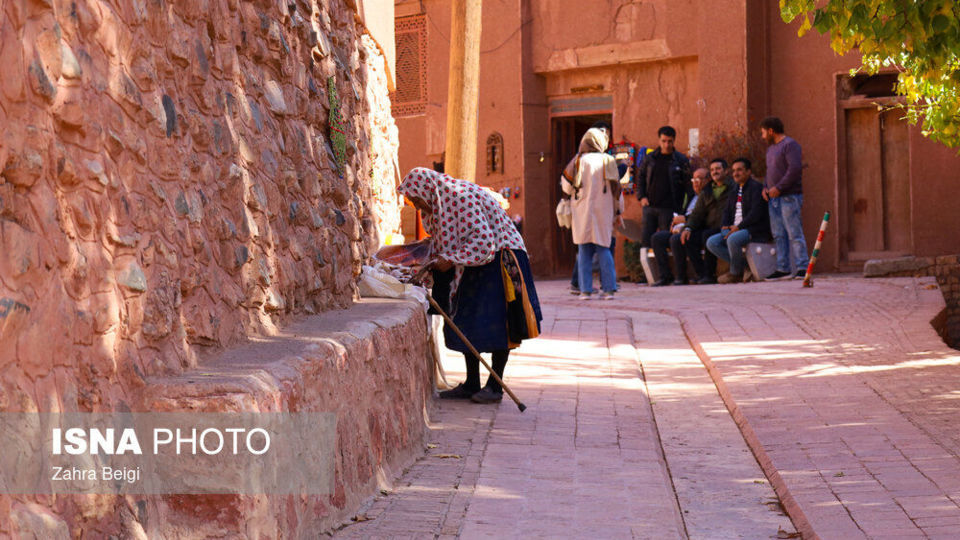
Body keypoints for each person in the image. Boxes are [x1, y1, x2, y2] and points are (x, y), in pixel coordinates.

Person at [399, 167, 542, 404]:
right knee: (464, 315)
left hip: (499, 257)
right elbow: (443, 242)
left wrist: (451, 259)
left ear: (427, 191)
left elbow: (484, 241)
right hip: (474, 259)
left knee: (498, 321)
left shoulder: (458, 198)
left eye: (416, 200)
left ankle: (495, 387)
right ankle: (472, 383)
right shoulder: (438, 208)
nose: (417, 207)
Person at [561, 128, 621, 300]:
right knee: (604, 248)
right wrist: (618, 212)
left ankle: (585, 290)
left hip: (582, 210)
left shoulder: (579, 160)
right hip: (605, 210)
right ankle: (609, 289)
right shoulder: (608, 160)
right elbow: (617, 190)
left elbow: (566, 185)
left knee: (584, 250)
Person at [706, 158, 771, 283]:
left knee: (733, 239)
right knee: (711, 242)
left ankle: (735, 273)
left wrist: (739, 227)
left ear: (748, 172)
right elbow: (726, 211)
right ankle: (745, 266)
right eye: (734, 170)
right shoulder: (734, 189)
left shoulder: (756, 188)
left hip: (753, 229)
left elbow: (755, 214)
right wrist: (725, 225)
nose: (736, 173)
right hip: (735, 229)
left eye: (739, 170)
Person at [760, 117, 809, 280]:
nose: (762, 136)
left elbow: (794, 169)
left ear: (771, 131)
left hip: (789, 197)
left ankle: (802, 267)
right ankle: (783, 268)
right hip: (773, 199)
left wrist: (779, 187)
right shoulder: (770, 150)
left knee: (794, 232)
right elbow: (769, 172)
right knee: (778, 234)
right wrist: (766, 188)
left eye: (763, 132)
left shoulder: (790, 145)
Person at [635, 125, 692, 248]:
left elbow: (689, 186)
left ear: (674, 140)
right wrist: (642, 196)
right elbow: (641, 177)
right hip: (649, 207)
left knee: (665, 243)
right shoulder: (650, 158)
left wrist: (683, 210)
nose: (667, 145)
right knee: (646, 242)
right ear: (659, 140)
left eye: (669, 141)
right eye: (664, 141)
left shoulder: (681, 160)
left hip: (669, 209)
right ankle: (647, 267)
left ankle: (664, 267)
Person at [681, 158, 735, 284]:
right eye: (712, 170)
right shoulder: (707, 191)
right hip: (710, 227)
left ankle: (709, 274)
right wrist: (688, 228)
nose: (714, 172)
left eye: (718, 169)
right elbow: (696, 214)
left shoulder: (733, 187)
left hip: (726, 227)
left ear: (726, 171)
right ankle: (702, 274)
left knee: (707, 235)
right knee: (689, 238)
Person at [649, 167, 707, 286]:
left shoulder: (708, 196)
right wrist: (675, 223)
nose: (696, 182)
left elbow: (704, 217)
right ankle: (665, 276)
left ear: (708, 180)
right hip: (683, 227)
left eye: (700, 179)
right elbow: (683, 213)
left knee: (676, 239)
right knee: (657, 238)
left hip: (697, 229)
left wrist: (685, 221)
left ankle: (681, 277)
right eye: (694, 179)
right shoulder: (691, 196)